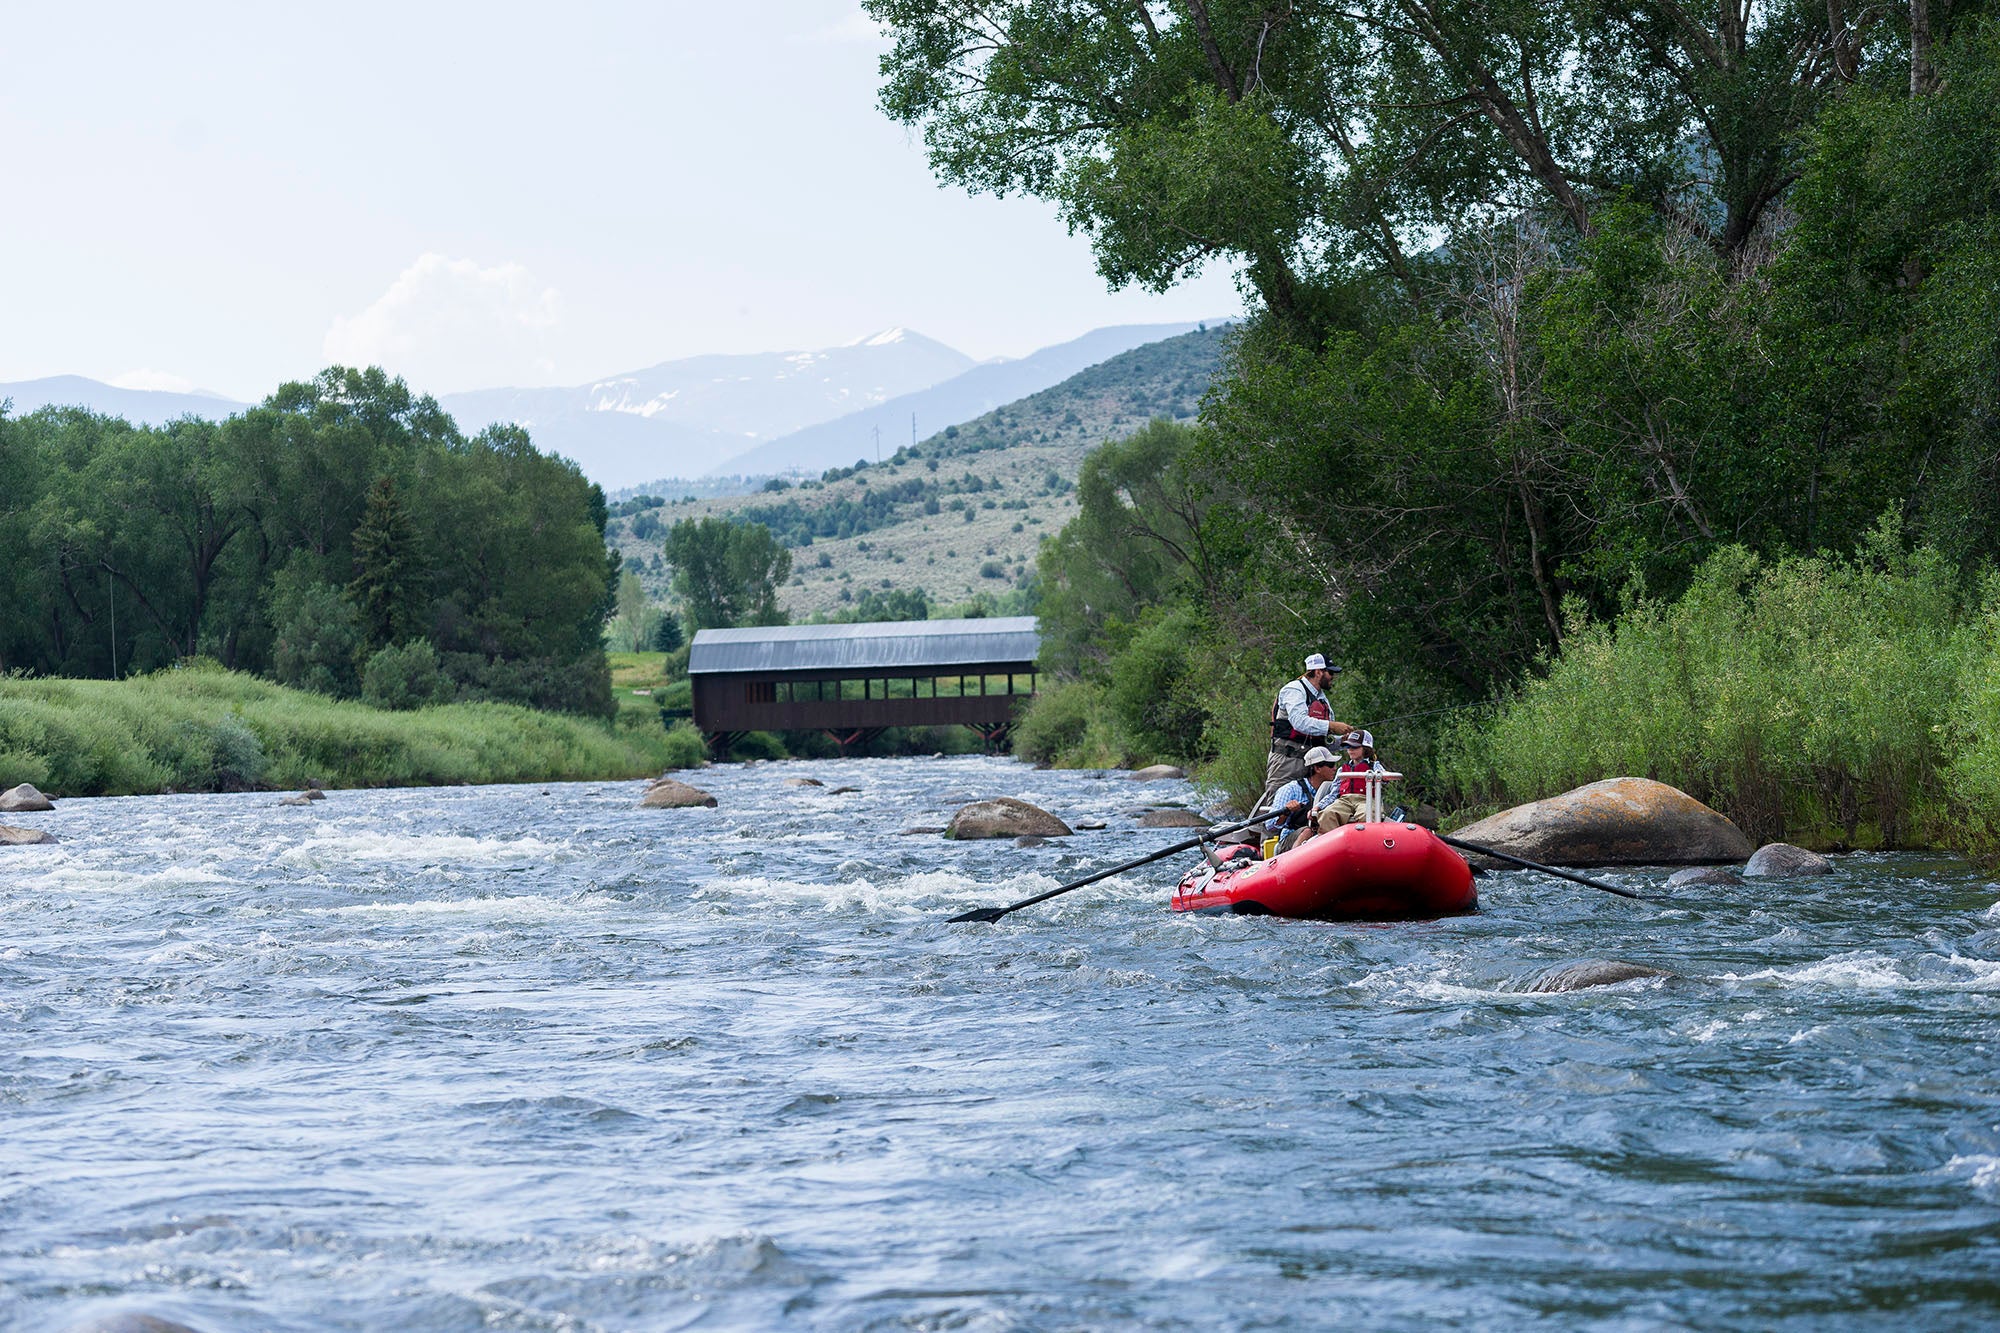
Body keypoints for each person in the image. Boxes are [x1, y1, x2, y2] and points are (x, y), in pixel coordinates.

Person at [1258, 653, 1347, 814]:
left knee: (1311, 808)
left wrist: (1343, 741)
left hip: (1313, 766)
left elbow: (1323, 743)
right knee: (1277, 807)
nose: (1333, 677)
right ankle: (1269, 838)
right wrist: (1332, 726)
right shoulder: (1294, 689)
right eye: (1330, 672)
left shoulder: (1322, 700)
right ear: (1318, 672)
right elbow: (1299, 722)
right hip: (1287, 761)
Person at [1264, 745, 1341, 853]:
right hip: (1290, 841)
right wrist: (1285, 812)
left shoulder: (1332, 791)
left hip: (1320, 840)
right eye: (1331, 765)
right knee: (1307, 831)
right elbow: (1270, 825)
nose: (1335, 768)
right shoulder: (1290, 789)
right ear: (1317, 768)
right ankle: (1294, 863)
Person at [1309, 730, 1378, 834]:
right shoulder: (1342, 770)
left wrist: (1383, 778)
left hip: (1366, 799)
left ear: (1366, 748)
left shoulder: (1374, 766)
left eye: (1355, 747)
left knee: (1366, 814)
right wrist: (1318, 806)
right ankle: (1332, 845)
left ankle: (1365, 843)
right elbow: (1334, 793)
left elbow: (1385, 778)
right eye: (1348, 746)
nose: (1350, 750)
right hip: (1344, 800)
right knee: (1327, 814)